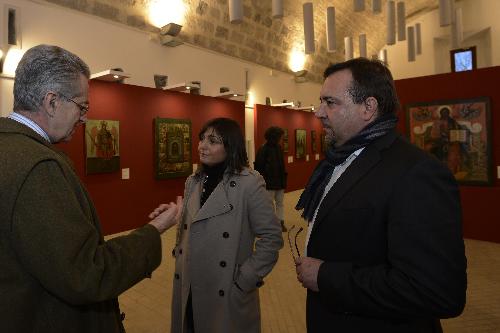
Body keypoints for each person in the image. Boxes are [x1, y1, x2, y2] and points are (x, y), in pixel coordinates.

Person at [0, 44, 181, 332]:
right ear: (51, 102)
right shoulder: (39, 167)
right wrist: (154, 229)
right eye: (82, 106)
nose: (84, 118)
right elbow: (86, 274)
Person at [294, 58, 467, 332]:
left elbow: (437, 291)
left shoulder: (416, 173)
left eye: (330, 102)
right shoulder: (338, 160)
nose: (318, 112)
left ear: (368, 107)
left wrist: (327, 276)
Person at [170, 118, 283, 333]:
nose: (203, 145)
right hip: (190, 285)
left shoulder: (249, 183)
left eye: (213, 141)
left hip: (226, 289)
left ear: (230, 146)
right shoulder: (193, 181)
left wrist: (245, 279)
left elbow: (272, 237)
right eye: (202, 138)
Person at [254, 126, 288, 232]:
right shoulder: (263, 149)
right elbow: (259, 168)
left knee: (280, 203)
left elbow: (282, 166)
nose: (280, 138)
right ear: (274, 136)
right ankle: (268, 225)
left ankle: (280, 222)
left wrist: (283, 181)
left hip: (280, 182)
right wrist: (263, 182)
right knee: (268, 205)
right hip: (268, 183)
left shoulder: (278, 148)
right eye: (279, 136)